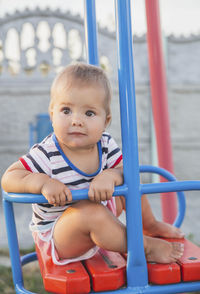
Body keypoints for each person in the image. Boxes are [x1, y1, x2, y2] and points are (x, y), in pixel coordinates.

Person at [1, 63, 184, 265]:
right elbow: (9, 178)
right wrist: (43, 183)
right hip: (59, 237)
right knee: (92, 212)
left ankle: (149, 224)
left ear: (106, 121)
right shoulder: (47, 154)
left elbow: (125, 171)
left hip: (99, 214)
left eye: (89, 113)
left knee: (130, 188)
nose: (76, 120)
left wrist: (110, 176)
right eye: (66, 110)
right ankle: (145, 247)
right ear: (52, 115)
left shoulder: (105, 144)